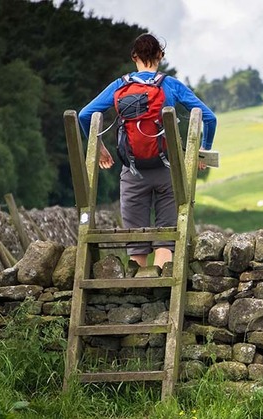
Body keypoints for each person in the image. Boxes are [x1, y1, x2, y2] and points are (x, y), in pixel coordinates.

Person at [79, 33, 217, 269]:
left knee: (136, 242)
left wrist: (100, 148)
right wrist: (203, 151)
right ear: (160, 56)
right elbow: (209, 117)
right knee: (166, 238)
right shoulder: (170, 85)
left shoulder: (119, 86)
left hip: (132, 171)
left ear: (134, 57)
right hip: (168, 170)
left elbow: (84, 115)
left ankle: (138, 297)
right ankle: (163, 292)